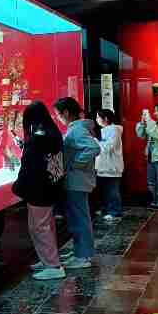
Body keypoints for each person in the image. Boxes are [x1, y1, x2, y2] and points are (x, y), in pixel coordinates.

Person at [12, 101, 66, 280]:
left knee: (40, 227)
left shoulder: (38, 138)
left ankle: (53, 265)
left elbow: (31, 165)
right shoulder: (53, 133)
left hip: (39, 189)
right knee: (45, 225)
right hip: (51, 186)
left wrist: (20, 185)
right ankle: (48, 259)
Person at [53, 97, 101, 269]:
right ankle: (80, 251)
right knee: (78, 218)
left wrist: (75, 164)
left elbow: (94, 148)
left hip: (77, 181)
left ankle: (83, 256)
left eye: (58, 114)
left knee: (79, 219)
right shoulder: (77, 128)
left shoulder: (77, 130)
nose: (57, 118)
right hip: (78, 180)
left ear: (66, 113)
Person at [95, 108, 124, 223]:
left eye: (98, 117)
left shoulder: (114, 130)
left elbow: (109, 147)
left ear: (106, 119)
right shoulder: (106, 130)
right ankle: (107, 209)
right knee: (106, 190)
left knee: (112, 190)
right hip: (104, 166)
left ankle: (115, 212)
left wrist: (96, 142)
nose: (96, 119)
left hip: (111, 166)